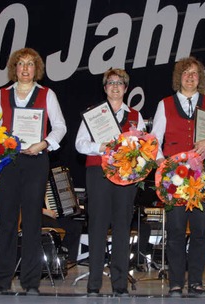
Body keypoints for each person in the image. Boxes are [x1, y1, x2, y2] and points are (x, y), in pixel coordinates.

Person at [0, 47, 67, 295]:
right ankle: (1, 281)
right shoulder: (1, 95)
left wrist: (43, 144)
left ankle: (31, 282)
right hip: (9, 162)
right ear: (14, 68)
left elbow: (60, 127)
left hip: (35, 162)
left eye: (30, 64)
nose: (25, 69)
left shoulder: (47, 94)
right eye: (20, 64)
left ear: (37, 69)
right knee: (7, 222)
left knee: (32, 221)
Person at [151, 57, 205, 298]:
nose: (190, 77)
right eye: (186, 73)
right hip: (174, 175)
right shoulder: (164, 104)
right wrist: (162, 163)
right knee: (175, 230)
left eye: (195, 73)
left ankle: (196, 282)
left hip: (203, 173)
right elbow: (154, 139)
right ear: (178, 77)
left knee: (199, 229)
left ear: (200, 78)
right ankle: (175, 283)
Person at [75, 68, 145, 297]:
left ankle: (120, 285)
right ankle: (93, 284)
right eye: (111, 83)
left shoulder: (136, 115)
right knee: (97, 227)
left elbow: (144, 149)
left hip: (126, 177)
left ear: (126, 88)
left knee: (123, 228)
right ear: (105, 88)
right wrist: (100, 147)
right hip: (98, 173)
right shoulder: (94, 114)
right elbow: (79, 144)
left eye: (120, 83)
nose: (115, 87)